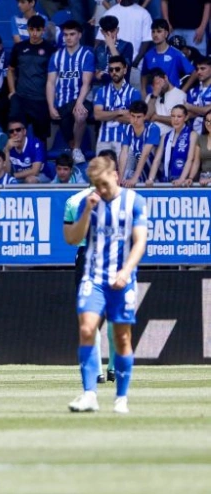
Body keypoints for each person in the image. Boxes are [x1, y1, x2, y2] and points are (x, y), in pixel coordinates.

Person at [65, 155, 148, 414]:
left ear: (115, 176)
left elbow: (140, 242)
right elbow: (71, 238)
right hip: (94, 277)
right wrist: (88, 211)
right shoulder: (87, 203)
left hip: (122, 278)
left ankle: (121, 397)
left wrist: (126, 270)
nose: (100, 190)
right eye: (95, 185)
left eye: (103, 184)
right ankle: (90, 393)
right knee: (88, 330)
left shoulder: (134, 201)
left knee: (122, 337)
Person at [62, 178, 107, 387]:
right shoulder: (122, 199)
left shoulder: (74, 200)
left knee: (91, 315)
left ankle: (98, 370)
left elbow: (70, 238)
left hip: (87, 256)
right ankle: (108, 369)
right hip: (108, 256)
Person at [46, 20, 95, 164]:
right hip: (62, 103)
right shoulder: (56, 56)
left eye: (72, 34)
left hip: (81, 99)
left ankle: (77, 149)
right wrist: (50, 106)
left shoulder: (87, 55)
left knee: (80, 114)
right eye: (65, 34)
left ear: (79, 35)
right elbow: (50, 83)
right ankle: (72, 148)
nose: (68, 37)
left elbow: (86, 83)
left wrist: (79, 102)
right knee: (67, 131)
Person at [8, 15, 56, 141]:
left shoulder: (50, 50)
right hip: (21, 98)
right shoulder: (19, 47)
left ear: (43, 30)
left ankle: (41, 161)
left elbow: (54, 76)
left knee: (41, 138)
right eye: (31, 29)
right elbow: (10, 70)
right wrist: (12, 91)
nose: (34, 33)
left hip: (41, 100)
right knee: (16, 134)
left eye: (38, 30)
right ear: (27, 29)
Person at [94, 55, 141, 156]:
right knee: (102, 172)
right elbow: (97, 115)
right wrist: (119, 112)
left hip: (125, 141)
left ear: (125, 70)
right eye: (111, 70)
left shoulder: (134, 93)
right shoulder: (101, 92)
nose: (114, 72)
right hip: (104, 140)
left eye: (117, 69)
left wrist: (107, 115)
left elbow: (134, 119)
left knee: (125, 172)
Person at [141, 19, 196, 98]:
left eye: (159, 31)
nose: (155, 34)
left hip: (172, 97)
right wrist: (143, 91)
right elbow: (144, 74)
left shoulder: (176, 54)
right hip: (153, 95)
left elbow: (194, 73)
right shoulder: (148, 55)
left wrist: (182, 91)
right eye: (153, 31)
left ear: (166, 34)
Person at [146, 104, 196, 186]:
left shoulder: (192, 134)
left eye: (179, 116)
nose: (175, 119)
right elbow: (157, 160)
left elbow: (190, 159)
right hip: (166, 178)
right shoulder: (165, 136)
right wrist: (151, 179)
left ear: (186, 118)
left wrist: (181, 179)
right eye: (173, 116)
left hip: (183, 180)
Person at [119, 99, 162, 186]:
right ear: (129, 115)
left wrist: (134, 178)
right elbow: (124, 154)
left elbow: (145, 154)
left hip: (155, 175)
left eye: (138, 117)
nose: (135, 120)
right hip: (140, 174)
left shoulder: (153, 129)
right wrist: (120, 177)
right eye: (133, 116)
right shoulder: (127, 129)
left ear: (145, 116)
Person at [145, 67, 188, 137]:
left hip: (170, 137)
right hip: (150, 136)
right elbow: (147, 116)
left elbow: (178, 120)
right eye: (154, 85)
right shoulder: (151, 96)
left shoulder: (180, 95)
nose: (158, 86)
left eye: (159, 82)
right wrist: (155, 95)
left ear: (165, 78)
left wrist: (156, 117)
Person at [4, 118, 47, 183]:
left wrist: (12, 176)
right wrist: (6, 151)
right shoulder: (8, 146)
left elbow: (35, 171)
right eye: (11, 131)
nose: (15, 133)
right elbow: (6, 172)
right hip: (17, 177)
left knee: (30, 180)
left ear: (24, 132)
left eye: (18, 130)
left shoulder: (35, 144)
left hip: (40, 175)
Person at [185, 56, 211, 133]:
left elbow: (206, 111)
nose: (199, 72)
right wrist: (202, 111)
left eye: (203, 69)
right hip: (192, 134)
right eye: (197, 69)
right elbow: (187, 114)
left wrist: (190, 107)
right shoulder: (192, 91)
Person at [193, 113, 211, 185]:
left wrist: (210, 180)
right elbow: (196, 162)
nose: (209, 123)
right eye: (207, 121)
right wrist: (190, 178)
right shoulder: (201, 138)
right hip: (203, 178)